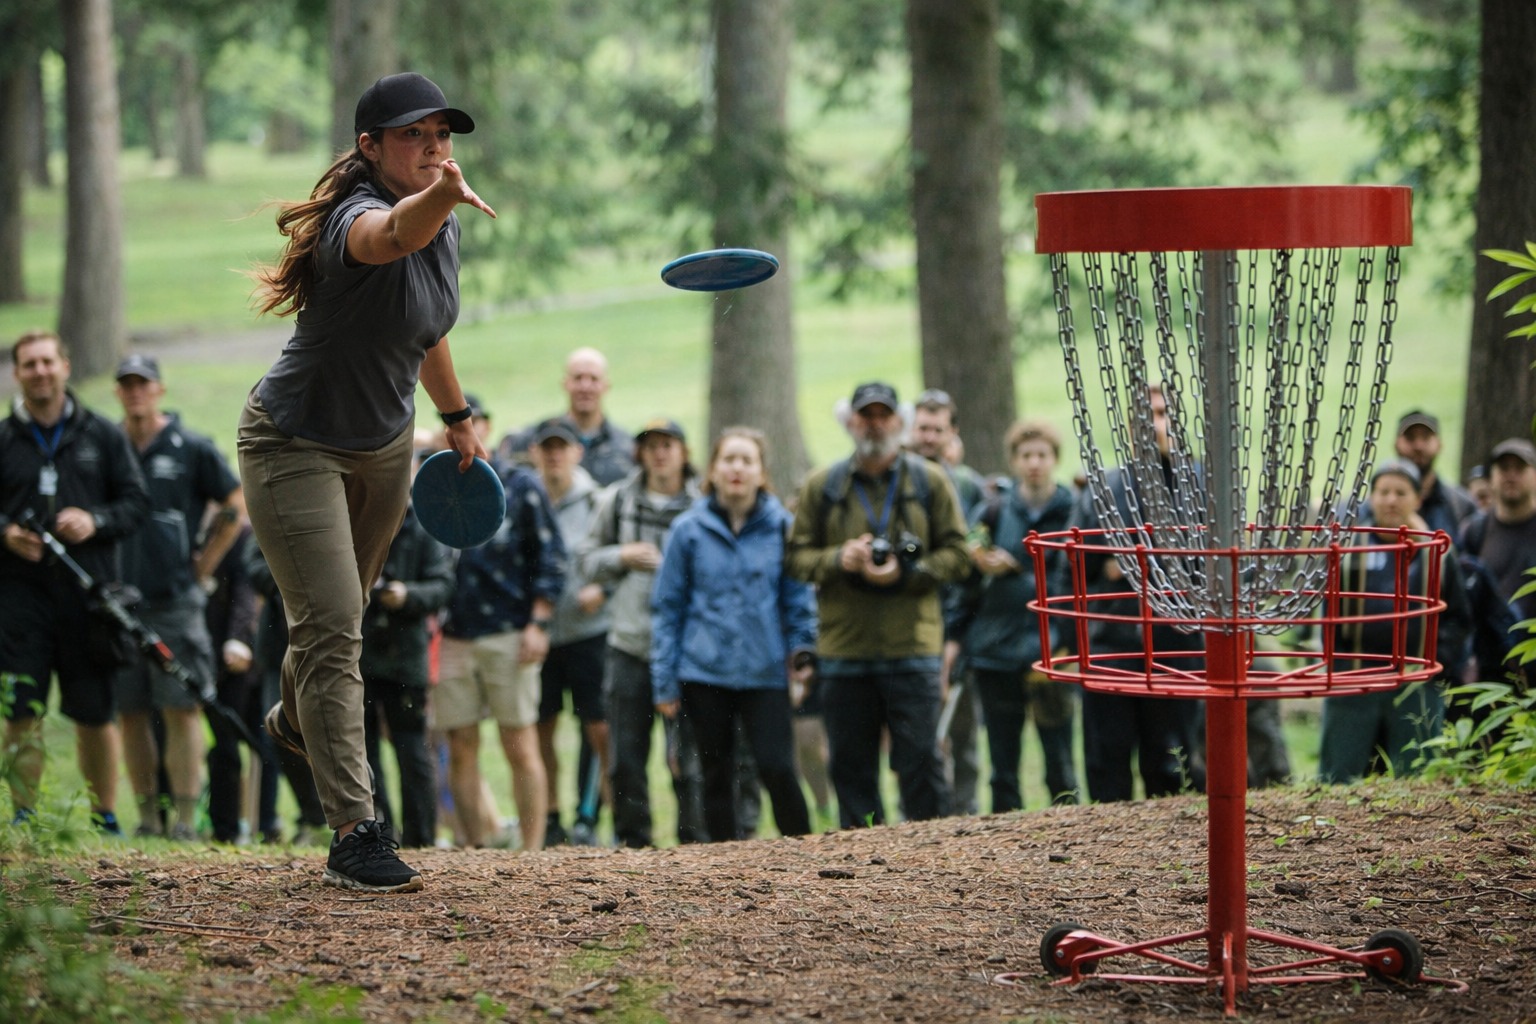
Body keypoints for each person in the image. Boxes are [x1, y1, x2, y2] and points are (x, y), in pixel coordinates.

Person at [238, 71, 494, 892]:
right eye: (414, 135)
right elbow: (391, 240)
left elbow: (427, 327)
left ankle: (295, 718)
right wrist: (442, 197)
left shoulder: (442, 223)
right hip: (293, 444)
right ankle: (356, 832)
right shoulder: (354, 220)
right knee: (335, 630)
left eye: (442, 136)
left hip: (384, 447)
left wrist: (457, 417)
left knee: (333, 622)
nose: (433, 148)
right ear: (370, 146)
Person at [786, 382, 970, 828]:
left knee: (921, 764)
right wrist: (839, 558)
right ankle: (860, 861)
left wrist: (909, 572)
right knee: (851, 770)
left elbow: (960, 555)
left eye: (883, 416)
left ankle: (932, 855)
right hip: (845, 652)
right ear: (851, 422)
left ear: (899, 422)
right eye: (865, 416)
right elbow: (794, 559)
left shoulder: (929, 481)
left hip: (912, 648)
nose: (874, 425)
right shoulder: (822, 486)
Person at [1, 330, 149, 833]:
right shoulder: (5, 439)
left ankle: (104, 818)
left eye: (48, 361)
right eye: (29, 364)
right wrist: (6, 534)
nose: (40, 371)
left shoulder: (102, 434)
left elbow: (136, 502)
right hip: (20, 600)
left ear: (65, 366)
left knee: (95, 713)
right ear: (17, 373)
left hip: (89, 599)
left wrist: (95, 520)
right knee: (22, 712)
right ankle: (24, 819)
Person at [651, 427, 817, 841]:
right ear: (713, 470)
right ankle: (726, 861)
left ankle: (805, 851)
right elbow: (668, 609)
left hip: (766, 671)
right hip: (704, 671)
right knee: (715, 772)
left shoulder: (783, 528)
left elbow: (798, 602)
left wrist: (802, 654)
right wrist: (664, 679)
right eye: (729, 459)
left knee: (777, 767)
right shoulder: (688, 530)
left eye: (747, 460)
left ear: (762, 472)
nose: (737, 468)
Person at [112, 354, 247, 840]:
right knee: (130, 710)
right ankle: (148, 818)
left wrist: (204, 566)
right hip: (118, 604)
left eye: (143, 383)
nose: (135, 392)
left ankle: (186, 821)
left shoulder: (191, 447)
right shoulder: (108, 445)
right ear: (117, 392)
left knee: (182, 707)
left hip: (175, 600)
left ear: (159, 390)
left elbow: (234, 502)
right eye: (127, 384)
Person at [438, 420, 566, 852]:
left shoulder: (520, 484)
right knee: (460, 745)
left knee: (520, 743)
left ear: (485, 428)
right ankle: (474, 846)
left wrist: (539, 624)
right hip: (453, 633)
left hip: (510, 630)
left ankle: (531, 850)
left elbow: (551, 556)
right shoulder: (434, 482)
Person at [1075, 384, 1206, 803]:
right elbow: (1075, 568)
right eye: (1146, 416)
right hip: (1112, 642)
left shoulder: (1202, 483)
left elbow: (1214, 563)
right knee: (1107, 758)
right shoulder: (1107, 487)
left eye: (1163, 414)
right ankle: (1106, 836)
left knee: (1170, 760)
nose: (1155, 425)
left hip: (1177, 643)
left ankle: (1174, 833)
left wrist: (1136, 563)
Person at [580, 418, 707, 847]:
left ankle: (696, 846)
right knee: (626, 759)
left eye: (668, 444)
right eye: (651, 446)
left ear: (684, 452)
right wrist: (622, 555)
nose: (660, 453)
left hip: (688, 650)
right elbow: (585, 561)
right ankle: (633, 845)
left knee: (689, 759)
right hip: (629, 645)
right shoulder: (618, 501)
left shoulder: (702, 505)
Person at [945, 420, 1080, 810]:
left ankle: (1071, 826)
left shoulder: (1073, 510)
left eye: (1042, 455)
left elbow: (1075, 580)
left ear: (1054, 459)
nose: (1034, 463)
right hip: (995, 650)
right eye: (1026, 455)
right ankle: (1005, 831)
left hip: (1052, 651)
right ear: (1014, 461)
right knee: (1002, 762)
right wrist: (979, 564)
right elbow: (965, 576)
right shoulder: (992, 510)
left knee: (1059, 757)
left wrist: (1017, 569)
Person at [1317, 460, 1471, 782]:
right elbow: (1330, 615)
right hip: (1354, 679)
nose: (1391, 500)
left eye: (1400, 493)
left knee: (1417, 777)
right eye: (1383, 492)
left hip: (1417, 682)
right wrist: (1340, 667)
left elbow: (1458, 617)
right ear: (1371, 497)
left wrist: (1437, 661)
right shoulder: (1348, 548)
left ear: (1417, 499)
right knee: (1338, 777)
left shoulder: (1437, 551)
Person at [528, 417, 612, 846]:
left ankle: (595, 815)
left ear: (577, 452)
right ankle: (550, 815)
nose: (554, 455)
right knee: (542, 725)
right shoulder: (525, 500)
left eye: (562, 447)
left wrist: (603, 589)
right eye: (547, 448)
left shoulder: (599, 501)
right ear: (535, 453)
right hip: (540, 636)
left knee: (598, 726)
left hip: (589, 633)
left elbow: (616, 558)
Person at [906, 387, 986, 816]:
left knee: (962, 727)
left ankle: (966, 809)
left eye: (938, 429)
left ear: (952, 432)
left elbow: (971, 568)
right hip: (909, 624)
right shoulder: (897, 481)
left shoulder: (969, 488)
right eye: (923, 428)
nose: (929, 437)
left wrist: (955, 636)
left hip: (959, 623)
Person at [360, 505, 454, 848]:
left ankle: (421, 838)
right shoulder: (357, 522)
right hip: (361, 654)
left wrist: (407, 595)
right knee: (363, 753)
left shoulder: (422, 529)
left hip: (406, 658)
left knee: (412, 749)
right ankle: (378, 835)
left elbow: (443, 586)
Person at [500, 348, 635, 486]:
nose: (585, 387)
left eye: (594, 379)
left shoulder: (628, 446)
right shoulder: (532, 439)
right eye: (578, 378)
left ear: (606, 386)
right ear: (565, 383)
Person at [1393, 410, 1478, 535]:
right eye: (1410, 438)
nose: (1418, 446)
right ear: (1396, 444)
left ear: (1439, 444)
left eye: (1426, 437)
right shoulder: (1377, 503)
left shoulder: (1460, 505)